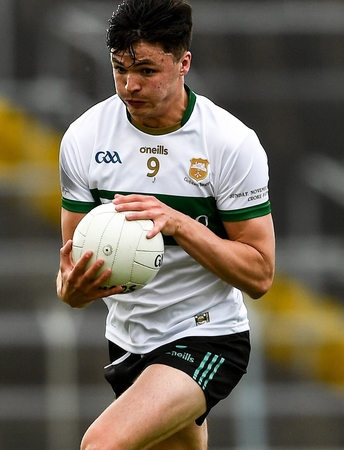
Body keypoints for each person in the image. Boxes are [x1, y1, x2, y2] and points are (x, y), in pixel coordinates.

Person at [56, 0, 275, 448]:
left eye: (147, 70)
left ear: (183, 64)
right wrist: (70, 291)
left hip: (207, 334)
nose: (129, 85)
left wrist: (179, 223)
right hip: (128, 339)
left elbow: (259, 273)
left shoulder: (230, 144)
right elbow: (74, 260)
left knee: (101, 444)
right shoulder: (84, 138)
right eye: (119, 69)